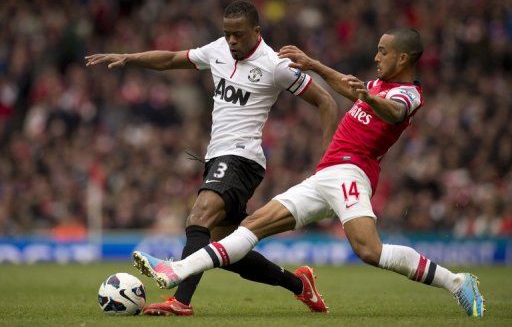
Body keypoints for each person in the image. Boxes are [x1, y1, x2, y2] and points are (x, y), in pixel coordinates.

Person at [132, 28, 486, 318]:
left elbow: (394, 113)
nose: (376, 57)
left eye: (382, 52)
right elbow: (351, 89)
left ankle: (457, 282)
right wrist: (314, 64)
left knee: (370, 251)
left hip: (352, 172)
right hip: (326, 174)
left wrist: (368, 97)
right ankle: (175, 270)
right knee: (251, 227)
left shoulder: (409, 93)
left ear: (403, 58)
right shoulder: (375, 85)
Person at [86, 0, 337, 316]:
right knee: (225, 249)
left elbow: (326, 101)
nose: (232, 41)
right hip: (217, 157)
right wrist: (130, 58)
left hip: (242, 158)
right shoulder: (218, 49)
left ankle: (180, 300)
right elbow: (172, 59)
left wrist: (329, 159)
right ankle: (300, 286)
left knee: (198, 217)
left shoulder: (275, 65)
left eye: (239, 35)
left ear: (256, 32)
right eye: (228, 34)